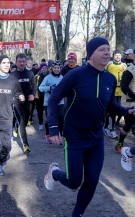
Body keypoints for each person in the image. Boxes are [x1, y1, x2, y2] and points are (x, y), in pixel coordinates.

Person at [44, 37, 135, 217]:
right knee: (74, 182)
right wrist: (53, 128)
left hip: (96, 139)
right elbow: (54, 98)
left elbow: (109, 105)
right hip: (75, 138)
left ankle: (77, 214)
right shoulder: (76, 75)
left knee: (92, 181)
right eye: (102, 49)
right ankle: (54, 172)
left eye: (108, 49)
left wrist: (127, 111)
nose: (107, 53)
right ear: (90, 53)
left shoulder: (109, 79)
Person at [0, 55, 25, 176]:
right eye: (4, 63)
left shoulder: (13, 81)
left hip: (7, 116)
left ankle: (0, 163)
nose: (7, 65)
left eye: (8, 63)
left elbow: (18, 93)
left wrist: (21, 98)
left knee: (7, 146)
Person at [11, 54, 37, 154]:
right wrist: (18, 96)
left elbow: (34, 86)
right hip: (17, 102)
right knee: (22, 122)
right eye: (19, 61)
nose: (21, 63)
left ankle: (17, 128)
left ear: (25, 62)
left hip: (28, 101)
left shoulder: (30, 73)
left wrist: (33, 95)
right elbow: (10, 89)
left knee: (25, 122)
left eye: (23, 61)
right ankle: (26, 145)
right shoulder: (12, 75)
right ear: (16, 62)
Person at [104, 49, 127, 139]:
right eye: (116, 55)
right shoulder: (109, 64)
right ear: (113, 56)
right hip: (111, 90)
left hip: (121, 90)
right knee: (110, 109)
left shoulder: (124, 65)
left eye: (119, 55)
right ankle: (107, 127)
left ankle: (114, 125)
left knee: (119, 108)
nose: (118, 57)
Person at [39, 62, 64, 145]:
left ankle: (59, 135)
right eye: (55, 68)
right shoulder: (47, 78)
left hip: (60, 101)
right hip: (49, 102)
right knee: (50, 119)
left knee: (61, 118)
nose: (57, 69)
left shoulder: (62, 77)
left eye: (58, 68)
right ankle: (48, 134)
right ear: (52, 69)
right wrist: (49, 87)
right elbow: (40, 88)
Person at [115, 48, 135, 153]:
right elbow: (124, 87)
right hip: (129, 103)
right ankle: (120, 143)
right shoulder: (129, 70)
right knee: (128, 125)